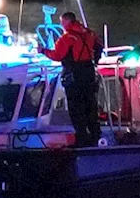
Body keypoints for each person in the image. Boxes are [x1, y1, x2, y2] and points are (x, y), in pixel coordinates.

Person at [42, 10, 103, 148]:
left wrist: (42, 51)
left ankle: (82, 138)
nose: (61, 24)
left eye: (62, 21)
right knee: (90, 105)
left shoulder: (68, 37)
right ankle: (96, 134)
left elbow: (57, 55)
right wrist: (95, 62)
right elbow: (99, 47)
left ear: (67, 21)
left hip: (74, 75)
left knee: (76, 108)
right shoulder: (89, 33)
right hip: (88, 72)